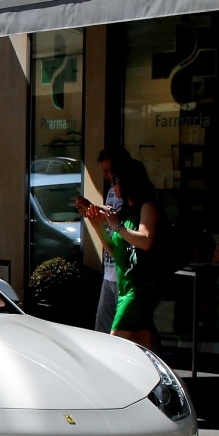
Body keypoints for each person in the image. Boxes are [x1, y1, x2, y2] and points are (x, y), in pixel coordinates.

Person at [76, 152, 161, 349]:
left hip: (136, 289)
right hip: (123, 286)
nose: (111, 185)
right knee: (145, 348)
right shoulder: (126, 212)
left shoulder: (147, 207)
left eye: (114, 179)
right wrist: (97, 224)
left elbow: (146, 240)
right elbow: (115, 252)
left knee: (112, 345)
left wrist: (118, 226)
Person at [89, 148, 124, 333]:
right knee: (102, 330)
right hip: (109, 270)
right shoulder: (112, 191)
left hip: (123, 274)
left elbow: (121, 223)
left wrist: (110, 219)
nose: (106, 175)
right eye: (103, 171)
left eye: (109, 170)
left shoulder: (129, 193)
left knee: (123, 331)